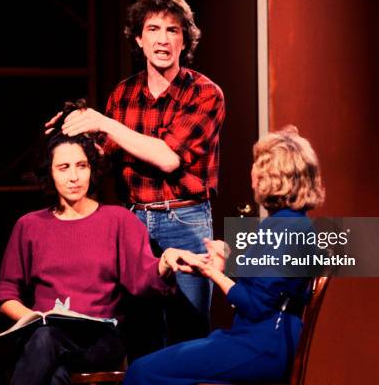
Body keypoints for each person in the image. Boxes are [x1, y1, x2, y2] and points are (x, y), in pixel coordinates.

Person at [47, 0, 226, 348]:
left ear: (184, 40)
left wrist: (105, 122)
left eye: (172, 30)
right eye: (154, 29)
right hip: (133, 223)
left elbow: (167, 157)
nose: (162, 39)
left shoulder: (205, 94)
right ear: (139, 39)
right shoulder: (123, 94)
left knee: (188, 334)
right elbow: (102, 155)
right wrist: (69, 131)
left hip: (185, 221)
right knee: (141, 335)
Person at [0, 120, 205, 385]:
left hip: (99, 341)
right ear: (50, 173)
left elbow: (142, 280)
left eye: (82, 166)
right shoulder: (30, 225)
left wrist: (165, 261)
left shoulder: (117, 219)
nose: (74, 177)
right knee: (54, 367)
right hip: (45, 336)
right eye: (64, 168)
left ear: (92, 169)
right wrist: (35, 319)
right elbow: (6, 293)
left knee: (47, 343)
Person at [123, 125, 326, 384]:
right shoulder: (293, 224)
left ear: (273, 175)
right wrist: (224, 267)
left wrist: (215, 274)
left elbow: (254, 305)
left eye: (257, 164)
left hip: (262, 346)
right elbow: (265, 293)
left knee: (143, 371)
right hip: (265, 341)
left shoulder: (282, 228)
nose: (251, 170)